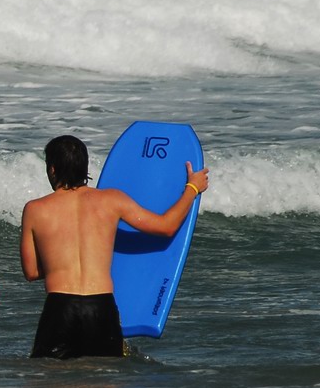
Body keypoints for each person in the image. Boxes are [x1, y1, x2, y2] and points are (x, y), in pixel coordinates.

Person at [20, 135, 209, 359]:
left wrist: (60, 261)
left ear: (52, 169)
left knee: (49, 383)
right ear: (85, 166)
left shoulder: (35, 209)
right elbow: (166, 227)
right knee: (105, 380)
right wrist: (192, 188)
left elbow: (31, 272)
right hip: (101, 306)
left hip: (60, 307)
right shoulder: (112, 200)